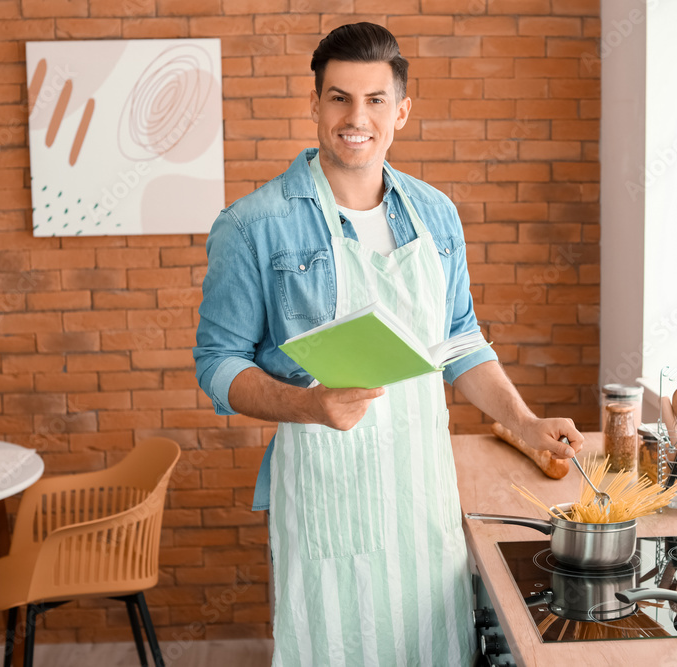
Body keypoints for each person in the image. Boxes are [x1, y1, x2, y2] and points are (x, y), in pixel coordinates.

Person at [194, 22, 584, 667]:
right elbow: (217, 363)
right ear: (315, 104)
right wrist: (310, 407)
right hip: (325, 485)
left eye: (375, 100)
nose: (357, 117)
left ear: (401, 110)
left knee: (429, 643)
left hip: (419, 485)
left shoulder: (435, 214)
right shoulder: (253, 225)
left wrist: (523, 420)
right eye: (339, 97)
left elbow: (459, 341)